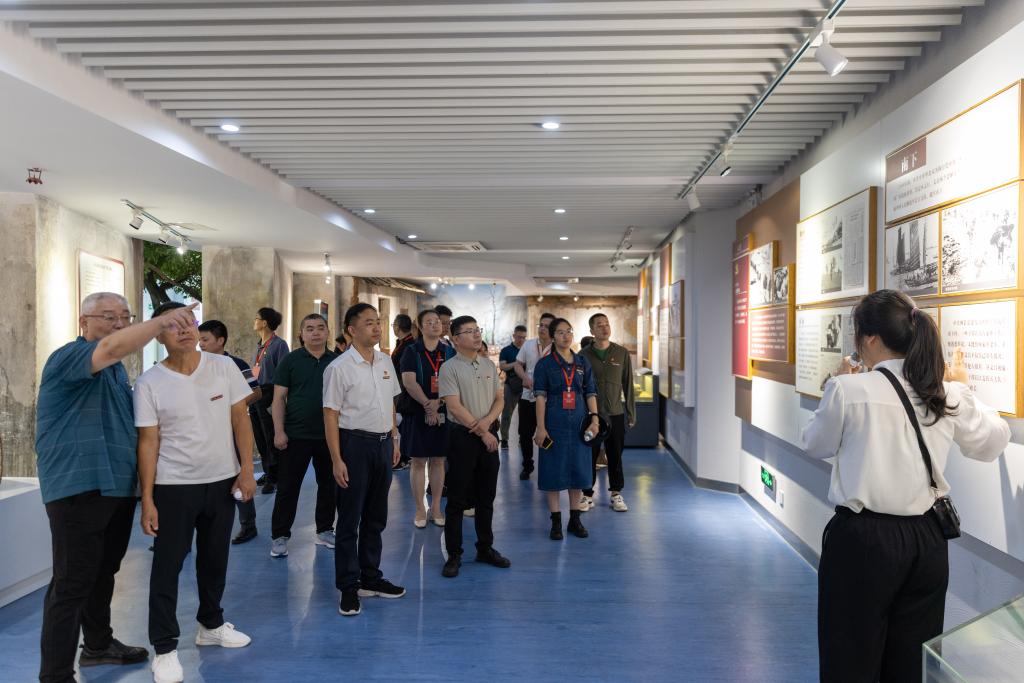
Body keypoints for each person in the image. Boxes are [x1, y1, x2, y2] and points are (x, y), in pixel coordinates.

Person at [802, 290, 1010, 683]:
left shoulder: (848, 389)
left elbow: (815, 444)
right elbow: (993, 442)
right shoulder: (943, 392)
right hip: (927, 540)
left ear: (870, 339)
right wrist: (964, 388)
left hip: (862, 539)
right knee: (912, 662)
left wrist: (837, 382)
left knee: (850, 656)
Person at [34, 293, 197, 682]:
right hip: (79, 487)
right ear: (84, 322)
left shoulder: (117, 373)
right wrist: (162, 322)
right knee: (72, 582)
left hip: (114, 488)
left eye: (125, 316)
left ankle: (97, 644)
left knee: (103, 571)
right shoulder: (69, 357)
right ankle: (55, 675)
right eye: (108, 317)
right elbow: (109, 347)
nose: (119, 324)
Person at [135, 302, 257, 683]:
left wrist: (247, 469)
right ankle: (164, 648)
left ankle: (211, 624)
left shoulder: (223, 367)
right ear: (159, 335)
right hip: (173, 487)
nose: (186, 330)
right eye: (174, 326)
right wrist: (148, 498)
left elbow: (240, 419)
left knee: (215, 558)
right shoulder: (149, 382)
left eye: (190, 323)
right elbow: (148, 442)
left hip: (222, 481)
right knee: (167, 567)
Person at [322, 303, 406, 617]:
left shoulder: (385, 361)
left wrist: (394, 438)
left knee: (376, 516)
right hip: (353, 445)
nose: (377, 327)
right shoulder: (339, 368)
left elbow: (390, 403)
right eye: (369, 322)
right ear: (351, 330)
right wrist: (336, 459)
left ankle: (370, 578)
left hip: (383, 444)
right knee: (349, 520)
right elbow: (330, 415)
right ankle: (348, 587)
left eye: (378, 322)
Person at [438, 316, 510, 578]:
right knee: (457, 499)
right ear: (456, 339)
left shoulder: (488, 365)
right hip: (462, 438)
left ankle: (485, 548)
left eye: (477, 330)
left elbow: (500, 399)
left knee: (486, 497)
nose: (476, 335)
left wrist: (488, 425)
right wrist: (483, 432)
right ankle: (454, 554)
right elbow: (454, 407)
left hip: (487, 434)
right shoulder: (449, 368)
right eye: (469, 331)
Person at [268, 314, 339, 558]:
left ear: (328, 332)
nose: (315, 332)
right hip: (295, 435)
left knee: (329, 485)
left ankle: (325, 530)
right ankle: (280, 536)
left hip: (329, 435)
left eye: (320, 328)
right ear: (301, 334)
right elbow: (278, 399)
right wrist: (279, 431)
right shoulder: (290, 360)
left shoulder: (337, 361)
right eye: (309, 328)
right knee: (288, 487)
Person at [533, 318, 599, 541]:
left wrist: (595, 419)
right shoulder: (544, 365)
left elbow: (591, 392)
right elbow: (540, 397)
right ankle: (555, 521)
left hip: (580, 423)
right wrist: (541, 428)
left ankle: (575, 519)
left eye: (568, 331)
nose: (565, 336)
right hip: (554, 423)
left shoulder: (582, 362)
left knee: (578, 470)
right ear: (552, 336)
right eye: (560, 332)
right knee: (553, 470)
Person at [197, 320, 263, 545]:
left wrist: (233, 404)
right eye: (199, 340)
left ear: (220, 341)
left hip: (232, 429)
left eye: (205, 339)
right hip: (204, 431)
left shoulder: (236, 364)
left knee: (240, 473)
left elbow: (256, 392)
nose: (201, 344)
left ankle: (248, 525)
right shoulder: (196, 365)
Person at [400, 309, 455, 527]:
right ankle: (420, 509)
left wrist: (438, 403)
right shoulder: (411, 351)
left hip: (443, 410)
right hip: (417, 411)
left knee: (439, 460)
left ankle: (436, 508)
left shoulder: (449, 352)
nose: (435, 325)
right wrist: (427, 405)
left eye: (437, 322)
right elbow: (409, 382)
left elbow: (455, 382)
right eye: (429, 322)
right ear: (421, 327)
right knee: (418, 461)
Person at [579, 313, 635, 513]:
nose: (605, 328)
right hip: (591, 414)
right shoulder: (583, 355)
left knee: (615, 454)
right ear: (592, 331)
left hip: (615, 413)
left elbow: (628, 383)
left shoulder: (621, 353)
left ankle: (616, 493)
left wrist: (631, 412)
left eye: (607, 324)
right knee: (589, 454)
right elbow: (579, 386)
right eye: (600, 325)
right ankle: (587, 494)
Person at [251, 307, 289, 493]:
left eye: (256, 318)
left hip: (270, 393)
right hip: (256, 393)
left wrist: (277, 399)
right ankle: (267, 471)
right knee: (259, 435)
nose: (254, 321)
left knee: (270, 435)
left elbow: (284, 373)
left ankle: (275, 477)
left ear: (264, 322)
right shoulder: (259, 345)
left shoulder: (279, 345)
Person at [514, 312, 555, 480]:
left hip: (549, 400)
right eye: (541, 325)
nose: (542, 328)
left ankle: (548, 466)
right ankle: (527, 465)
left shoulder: (557, 348)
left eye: (547, 326)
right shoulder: (529, 344)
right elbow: (518, 365)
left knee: (548, 433)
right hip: (528, 396)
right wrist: (524, 377)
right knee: (525, 434)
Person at [391, 313, 416, 471]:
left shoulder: (408, 346)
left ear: (397, 327)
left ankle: (404, 457)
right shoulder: (403, 343)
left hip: (405, 392)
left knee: (404, 424)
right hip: (400, 390)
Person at [498, 325, 528, 449]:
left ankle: (523, 438)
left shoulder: (527, 350)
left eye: (524, 337)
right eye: (519, 337)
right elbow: (503, 367)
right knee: (507, 413)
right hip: (511, 385)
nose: (521, 340)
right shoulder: (506, 350)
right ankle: (504, 439)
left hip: (526, 385)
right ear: (514, 336)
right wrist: (517, 363)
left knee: (525, 415)